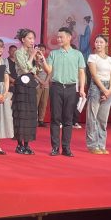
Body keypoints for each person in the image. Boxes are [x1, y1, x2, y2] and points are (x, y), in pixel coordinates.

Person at [42, 26, 86, 157]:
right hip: (56, 87)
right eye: (58, 37)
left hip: (71, 88)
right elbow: (49, 71)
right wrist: (43, 61)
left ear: (69, 37)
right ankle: (55, 147)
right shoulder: (53, 54)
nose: (58, 39)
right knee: (55, 118)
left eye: (61, 37)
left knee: (68, 119)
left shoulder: (77, 54)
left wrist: (82, 89)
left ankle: (66, 148)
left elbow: (81, 72)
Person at [12, 29, 43, 155]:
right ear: (23, 39)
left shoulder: (32, 53)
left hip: (30, 84)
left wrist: (38, 61)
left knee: (30, 114)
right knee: (21, 114)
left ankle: (27, 144)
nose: (32, 41)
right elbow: (25, 69)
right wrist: (32, 57)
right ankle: (19, 145)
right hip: (21, 84)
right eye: (29, 38)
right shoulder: (18, 52)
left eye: (33, 38)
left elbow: (36, 71)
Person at [85, 34, 111, 154]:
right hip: (96, 87)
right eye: (97, 42)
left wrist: (109, 90)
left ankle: (101, 144)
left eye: (101, 42)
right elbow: (94, 75)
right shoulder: (92, 57)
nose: (98, 44)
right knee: (92, 117)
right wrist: (103, 89)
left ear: (106, 44)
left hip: (109, 88)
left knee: (103, 118)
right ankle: (93, 145)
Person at [35, 43, 50, 127]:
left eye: (43, 50)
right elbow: (33, 73)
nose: (41, 51)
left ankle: (41, 120)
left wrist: (45, 82)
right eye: (39, 50)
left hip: (46, 85)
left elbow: (50, 72)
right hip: (37, 84)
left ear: (45, 51)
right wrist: (40, 81)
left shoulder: (47, 60)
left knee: (43, 103)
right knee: (35, 102)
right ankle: (34, 120)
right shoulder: (34, 60)